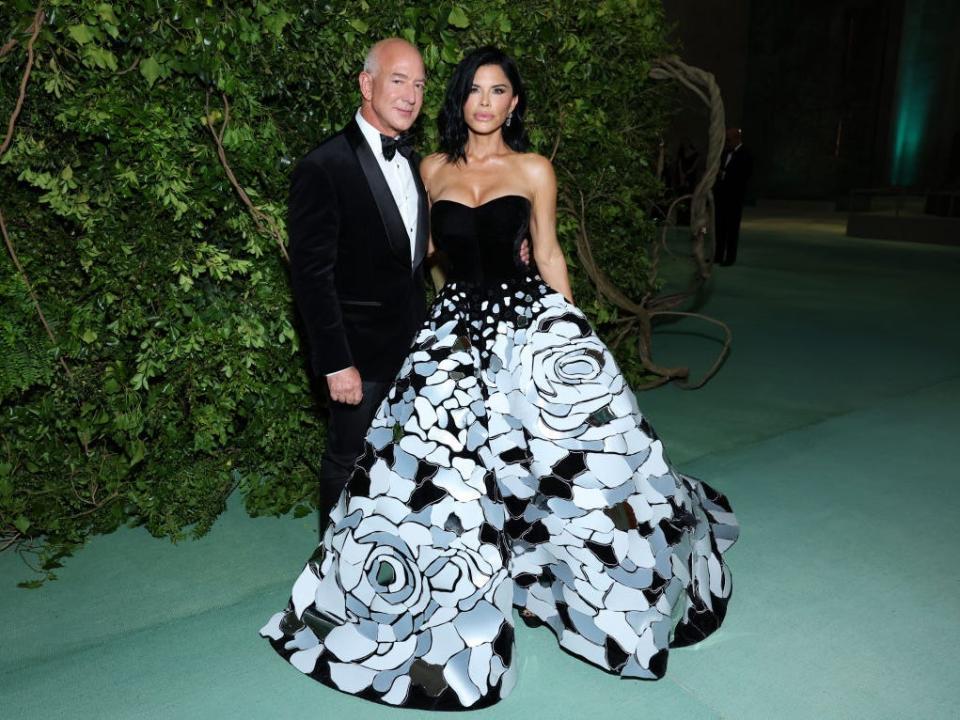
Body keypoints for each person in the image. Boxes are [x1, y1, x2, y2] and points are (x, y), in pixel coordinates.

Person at [262, 47, 739, 711]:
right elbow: (421, 254)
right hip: (454, 333)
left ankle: (601, 585)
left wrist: (576, 335)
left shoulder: (535, 169)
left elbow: (546, 251)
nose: (484, 102)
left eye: (498, 91)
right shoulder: (431, 168)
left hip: (527, 329)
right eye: (473, 91)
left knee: (564, 464)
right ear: (460, 102)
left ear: (514, 103)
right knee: (444, 473)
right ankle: (424, 600)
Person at [286, 38, 429, 531]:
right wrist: (335, 362)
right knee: (348, 462)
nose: (410, 95)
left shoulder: (413, 161)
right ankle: (333, 573)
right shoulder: (323, 167)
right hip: (357, 358)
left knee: (406, 465)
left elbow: (407, 252)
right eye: (398, 80)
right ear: (366, 84)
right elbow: (310, 276)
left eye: (419, 84)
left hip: (414, 348)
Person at [713, 127, 753, 266]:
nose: (727, 143)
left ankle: (730, 257)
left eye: (728, 140)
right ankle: (718, 255)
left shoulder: (746, 154)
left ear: (736, 138)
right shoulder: (725, 153)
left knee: (732, 229)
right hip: (722, 197)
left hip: (735, 198)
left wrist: (723, 174)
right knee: (720, 227)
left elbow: (743, 176)